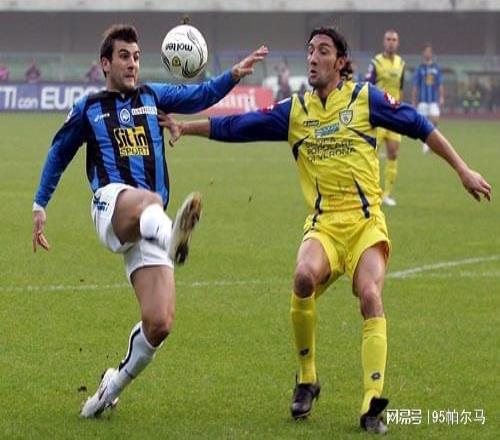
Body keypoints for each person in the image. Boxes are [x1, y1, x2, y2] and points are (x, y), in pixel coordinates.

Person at [159, 26, 491, 434]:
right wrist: (185, 127)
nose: (313, 57)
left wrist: (463, 170)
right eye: (310, 50)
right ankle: (307, 379)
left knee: (369, 295)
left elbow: (419, 124)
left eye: (323, 51)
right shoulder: (295, 111)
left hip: (366, 224)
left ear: (341, 62)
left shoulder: (365, 99)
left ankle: (371, 403)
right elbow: (238, 126)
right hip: (324, 225)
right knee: (302, 277)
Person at [32, 24, 267, 418]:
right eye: (124, 56)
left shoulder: (152, 96)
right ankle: (171, 235)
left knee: (159, 323)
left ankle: (109, 389)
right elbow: (59, 153)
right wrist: (40, 204)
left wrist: (234, 75)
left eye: (137, 57)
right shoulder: (89, 108)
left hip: (150, 225)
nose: (132, 64)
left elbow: (200, 95)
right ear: (105, 63)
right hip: (112, 207)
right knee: (150, 200)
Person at [365, 30, 405, 207]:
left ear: (398, 42)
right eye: (388, 39)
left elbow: (400, 89)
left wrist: (400, 109)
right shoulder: (376, 62)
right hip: (379, 115)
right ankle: (369, 190)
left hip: (394, 116)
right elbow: (368, 86)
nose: (391, 42)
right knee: (369, 154)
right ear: (384, 42)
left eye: (394, 39)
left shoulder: (401, 64)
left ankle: (387, 194)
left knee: (393, 153)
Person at [412, 44, 444, 154]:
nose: (428, 53)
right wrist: (414, 100)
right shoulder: (419, 68)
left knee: (435, 120)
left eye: (429, 51)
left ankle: (435, 143)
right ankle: (425, 145)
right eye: (426, 51)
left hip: (433, 100)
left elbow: (440, 84)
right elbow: (415, 85)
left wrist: (441, 97)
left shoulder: (436, 68)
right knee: (423, 124)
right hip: (422, 101)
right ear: (423, 53)